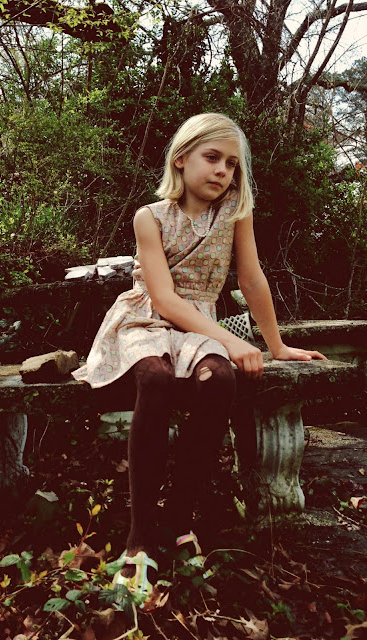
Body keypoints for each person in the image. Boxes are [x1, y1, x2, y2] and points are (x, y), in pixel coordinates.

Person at [72, 113, 326, 600]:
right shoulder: (150, 217)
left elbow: (251, 278)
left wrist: (275, 345)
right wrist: (231, 340)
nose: (222, 171)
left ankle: (179, 519)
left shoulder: (235, 213)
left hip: (198, 324)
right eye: (212, 157)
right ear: (181, 159)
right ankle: (139, 538)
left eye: (232, 164)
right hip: (147, 320)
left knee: (220, 380)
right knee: (156, 378)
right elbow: (164, 300)